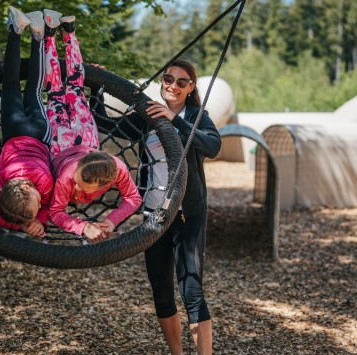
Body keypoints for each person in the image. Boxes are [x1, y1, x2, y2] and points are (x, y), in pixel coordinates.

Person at [95, 59, 221, 354]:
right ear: (161, 81)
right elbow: (104, 124)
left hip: (188, 213)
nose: (173, 85)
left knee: (191, 290)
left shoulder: (196, 115)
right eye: (168, 78)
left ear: (190, 89)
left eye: (182, 82)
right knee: (162, 293)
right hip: (155, 215)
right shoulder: (146, 116)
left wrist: (174, 120)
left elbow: (213, 147)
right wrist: (98, 86)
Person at [43, 11, 142, 243]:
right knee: (73, 87)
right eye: (80, 184)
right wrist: (81, 227)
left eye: (84, 187)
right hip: (80, 140)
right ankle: (65, 32)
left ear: (109, 182)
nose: (81, 190)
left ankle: (52, 34)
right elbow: (55, 211)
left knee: (56, 89)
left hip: (62, 140)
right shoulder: (68, 176)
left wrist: (112, 219)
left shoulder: (118, 170)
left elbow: (133, 199)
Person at [0, 6, 54, 237]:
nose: (39, 205)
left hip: (40, 134)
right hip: (15, 130)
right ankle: (16, 29)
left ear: (27, 188)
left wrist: (25, 224)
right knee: (10, 84)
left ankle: (38, 36)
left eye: (35, 205)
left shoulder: (45, 184)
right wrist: (23, 220)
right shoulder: (2, 181)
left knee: (34, 88)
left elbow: (49, 206)